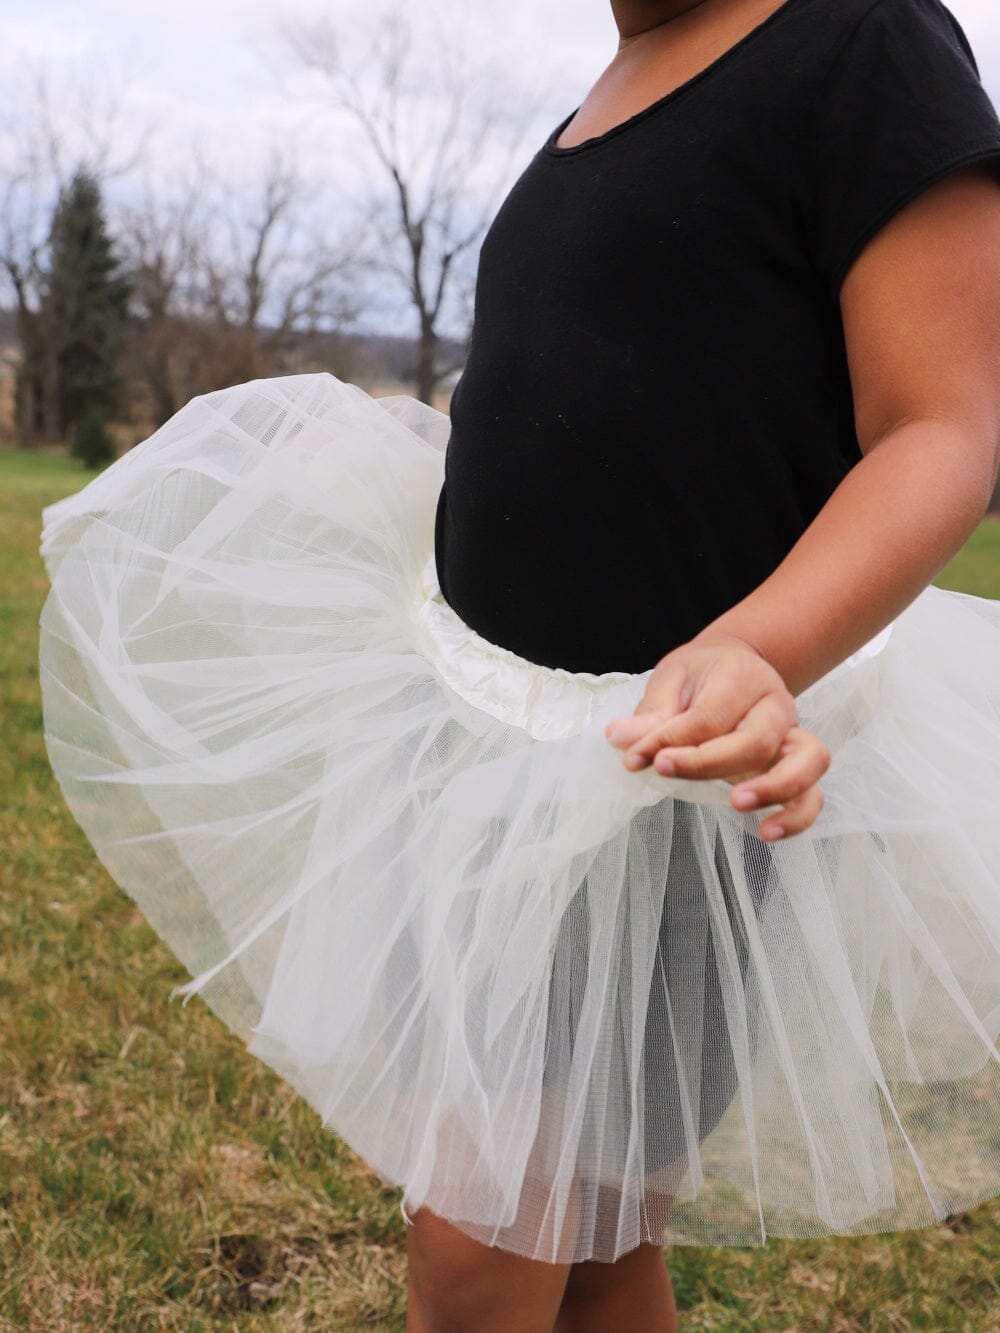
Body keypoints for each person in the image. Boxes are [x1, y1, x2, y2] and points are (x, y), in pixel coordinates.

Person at [36, 0, 1000, 1329]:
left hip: (660, 774)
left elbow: (944, 421)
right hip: (490, 754)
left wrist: (752, 644)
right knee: (596, 1233)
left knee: (483, 1235)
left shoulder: (862, 40)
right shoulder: (604, 98)